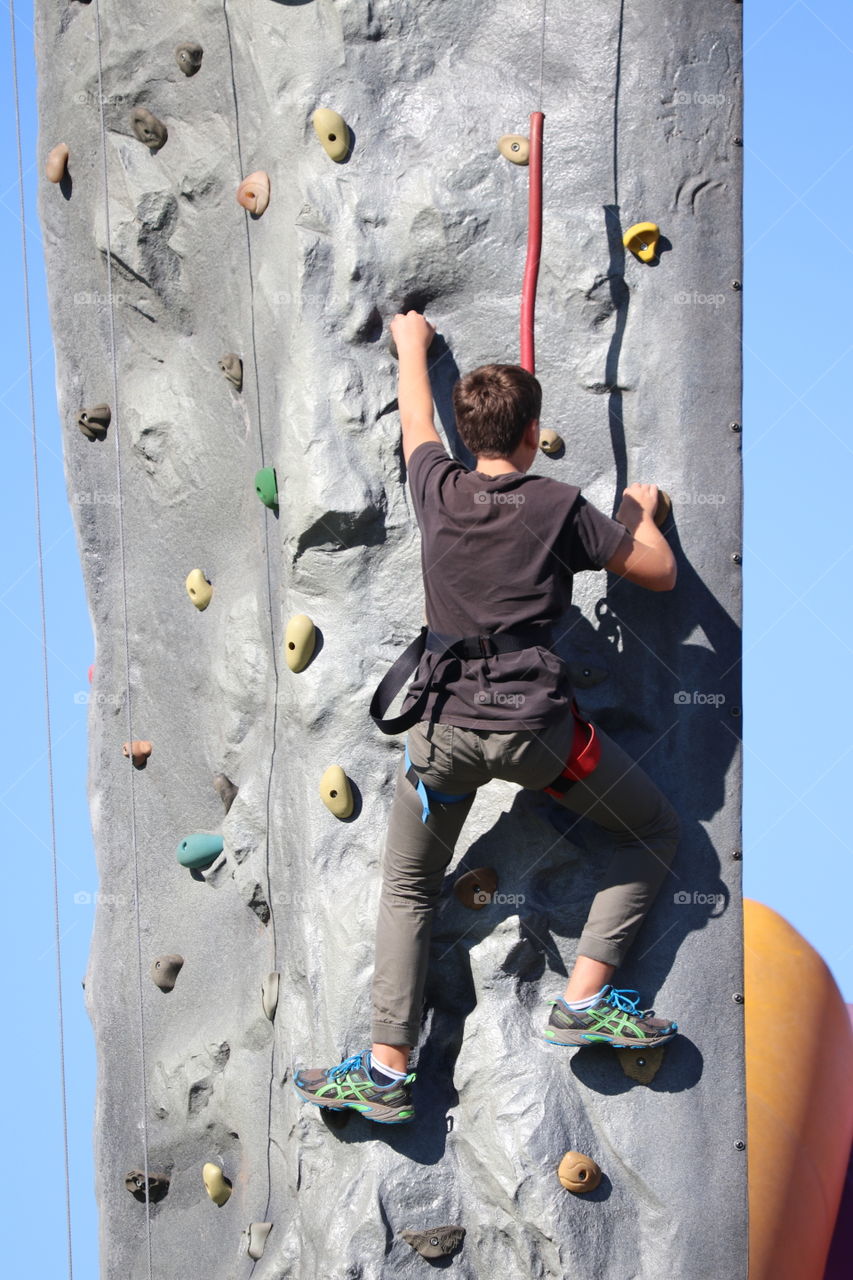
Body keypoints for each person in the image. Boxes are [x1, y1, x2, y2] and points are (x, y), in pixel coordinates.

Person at [293, 311, 681, 1125]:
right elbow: (657, 575)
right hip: (541, 741)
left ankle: (389, 1068)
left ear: (468, 438)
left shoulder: (435, 486)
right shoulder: (560, 507)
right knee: (649, 836)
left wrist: (411, 349)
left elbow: (414, 420)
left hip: (442, 738)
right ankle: (584, 998)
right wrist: (637, 512)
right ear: (536, 433)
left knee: (406, 886)